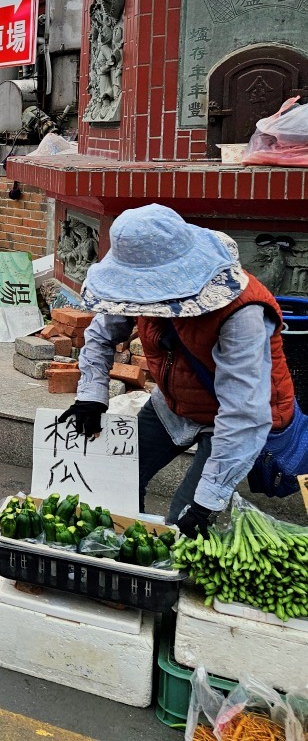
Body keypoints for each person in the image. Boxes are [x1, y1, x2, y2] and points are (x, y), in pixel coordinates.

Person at [59, 205, 304, 537]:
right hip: (172, 404)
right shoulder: (134, 286)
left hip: (232, 417)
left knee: (184, 521)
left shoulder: (242, 310)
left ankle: (172, 577)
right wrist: (91, 396)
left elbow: (244, 412)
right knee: (115, 480)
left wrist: (208, 501)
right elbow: (102, 334)